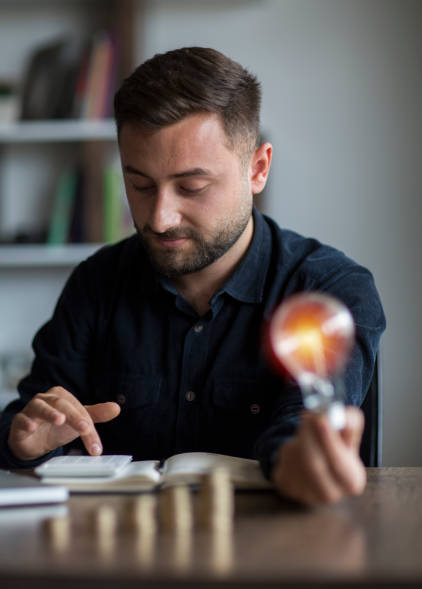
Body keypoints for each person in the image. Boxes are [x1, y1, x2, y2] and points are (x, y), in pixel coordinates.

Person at [0, 47, 385, 506]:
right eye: (140, 185)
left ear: (258, 168)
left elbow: (307, 416)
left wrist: (299, 456)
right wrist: (24, 441)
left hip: (278, 556)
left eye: (191, 188)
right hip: (117, 560)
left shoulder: (328, 291)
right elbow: (28, 418)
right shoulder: (97, 283)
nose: (160, 218)